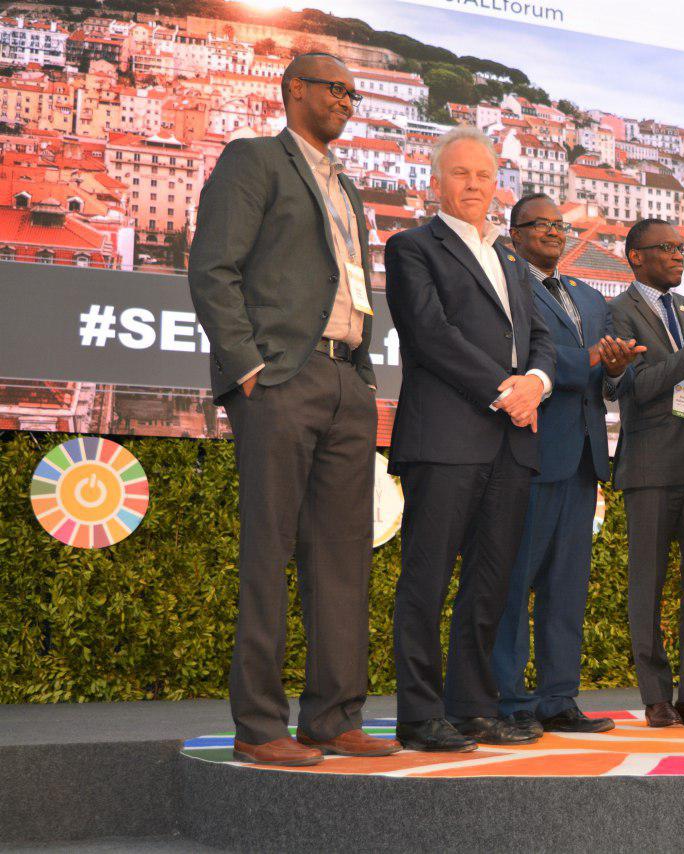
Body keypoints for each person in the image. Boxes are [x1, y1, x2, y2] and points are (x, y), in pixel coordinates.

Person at [187, 52, 399, 765]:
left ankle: (333, 717)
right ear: (294, 90)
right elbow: (213, 267)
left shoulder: (350, 189)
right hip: (282, 379)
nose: (345, 98)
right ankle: (259, 727)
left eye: (351, 90)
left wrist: (363, 381)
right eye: (333, 87)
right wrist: (247, 365)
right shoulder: (254, 161)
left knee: (343, 559)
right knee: (268, 554)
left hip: (347, 381)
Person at [385, 126, 556, 752]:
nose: (475, 185)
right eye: (461, 174)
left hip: (512, 443)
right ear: (436, 182)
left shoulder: (511, 256)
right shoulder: (412, 248)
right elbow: (429, 335)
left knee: (491, 581)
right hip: (446, 438)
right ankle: (420, 714)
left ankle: (473, 706)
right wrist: (506, 390)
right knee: (426, 581)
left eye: (484, 175)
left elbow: (542, 335)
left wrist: (536, 380)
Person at [490, 194, 643, 736]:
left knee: (567, 586)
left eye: (560, 225)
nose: (554, 232)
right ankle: (506, 702)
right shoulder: (509, 285)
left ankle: (559, 699)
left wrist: (617, 368)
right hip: (529, 451)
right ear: (515, 232)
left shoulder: (585, 295)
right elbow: (528, 361)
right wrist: (591, 361)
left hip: (582, 456)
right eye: (541, 224)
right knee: (514, 582)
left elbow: (603, 375)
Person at [609, 219, 684, 729]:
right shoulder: (616, 312)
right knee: (648, 585)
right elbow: (633, 387)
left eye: (682, 248)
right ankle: (656, 695)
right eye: (667, 248)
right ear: (636, 257)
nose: (679, 256)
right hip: (652, 464)